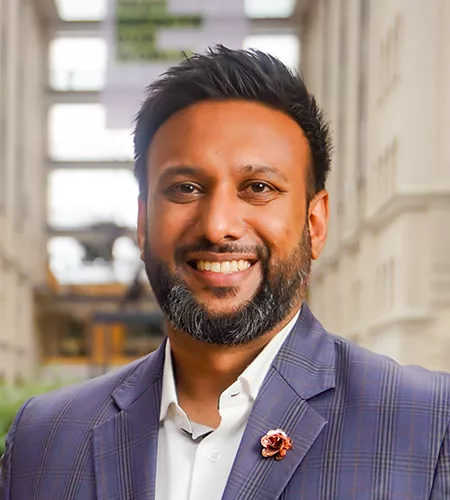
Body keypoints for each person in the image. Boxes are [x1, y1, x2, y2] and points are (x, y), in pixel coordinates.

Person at [1, 46, 449, 500]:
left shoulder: (429, 427)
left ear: (314, 223)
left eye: (258, 187)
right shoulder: (43, 438)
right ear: (143, 224)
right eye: (185, 188)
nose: (217, 226)